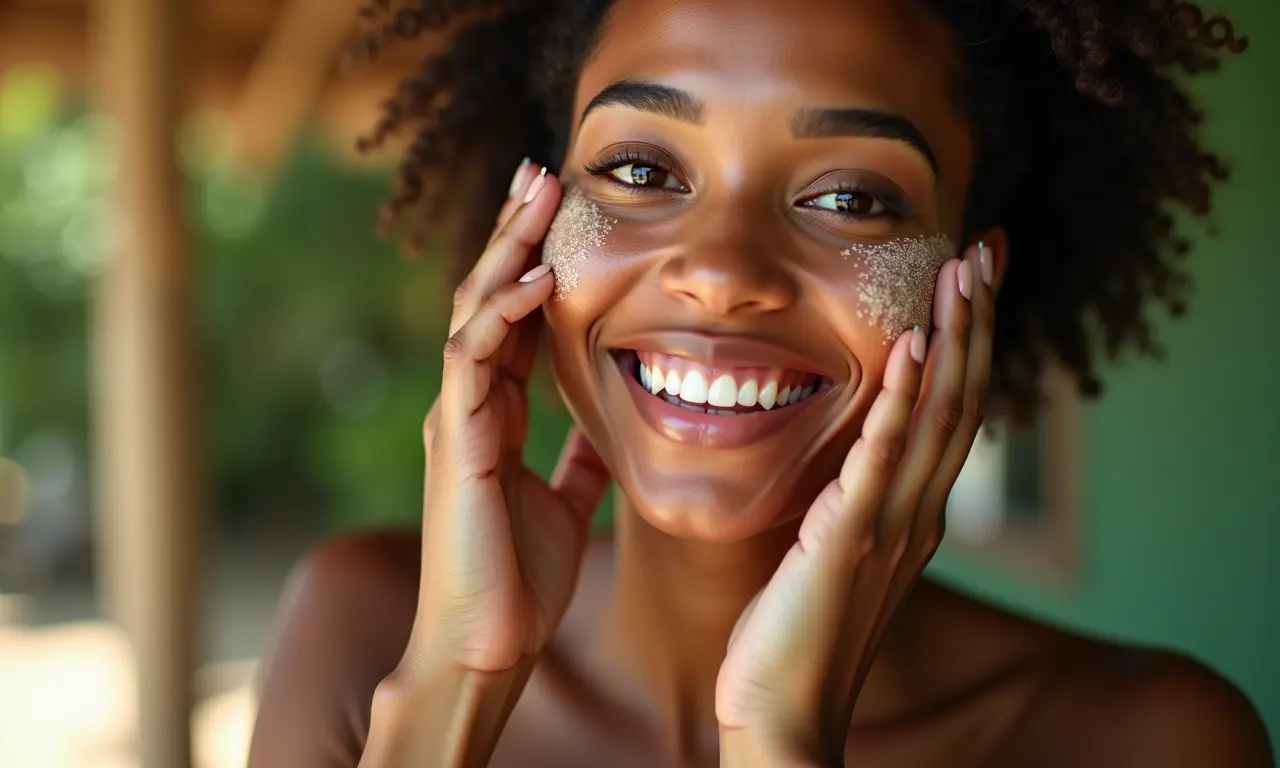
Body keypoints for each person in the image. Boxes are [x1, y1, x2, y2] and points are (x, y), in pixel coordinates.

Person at [247, 1, 1273, 766]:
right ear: (535, 221)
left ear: (972, 282)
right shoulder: (363, 639)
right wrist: (452, 693)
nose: (721, 271)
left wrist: (783, 738)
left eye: (849, 197)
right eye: (641, 172)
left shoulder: (1146, 742)